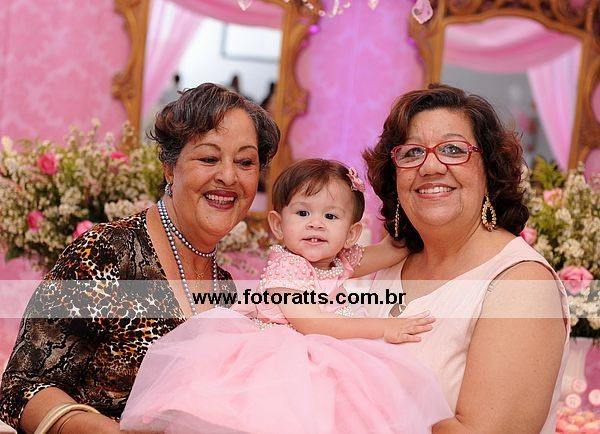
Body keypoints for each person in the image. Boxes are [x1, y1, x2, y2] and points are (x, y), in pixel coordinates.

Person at [0, 82, 280, 433]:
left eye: (245, 162)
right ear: (170, 168)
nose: (228, 176)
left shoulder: (225, 290)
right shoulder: (107, 253)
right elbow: (21, 388)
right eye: (209, 158)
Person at [120, 159, 452, 433]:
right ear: (278, 225)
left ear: (351, 233)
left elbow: (393, 250)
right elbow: (312, 323)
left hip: (323, 357)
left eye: (331, 216)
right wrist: (384, 328)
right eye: (303, 213)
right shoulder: (287, 268)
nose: (316, 224)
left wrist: (424, 218)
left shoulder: (341, 260)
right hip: (277, 360)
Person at [363, 83, 569, 433]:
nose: (430, 166)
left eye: (453, 149)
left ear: (489, 171)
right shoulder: (379, 266)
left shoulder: (522, 284)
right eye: (412, 153)